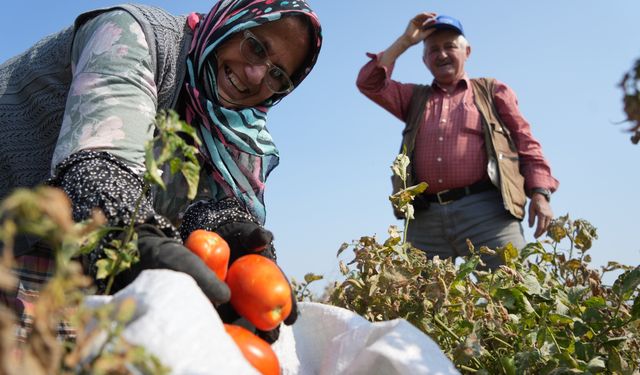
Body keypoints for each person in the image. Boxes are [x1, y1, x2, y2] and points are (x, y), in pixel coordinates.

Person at [0, 0, 322, 343]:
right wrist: (128, 233)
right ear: (231, 22)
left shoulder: (229, 131)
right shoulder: (133, 35)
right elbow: (99, 163)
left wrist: (225, 233)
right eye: (256, 47)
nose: (256, 75)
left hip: (59, 248)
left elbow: (198, 207)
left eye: (277, 75)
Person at [356, 13, 558, 268]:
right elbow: (369, 83)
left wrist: (540, 193)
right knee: (419, 300)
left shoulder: (492, 91)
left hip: (487, 212)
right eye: (433, 50)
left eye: (450, 46)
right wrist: (405, 41)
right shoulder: (414, 98)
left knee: (514, 290)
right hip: (425, 216)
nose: (441, 54)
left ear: (467, 51)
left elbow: (525, 141)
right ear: (424, 59)